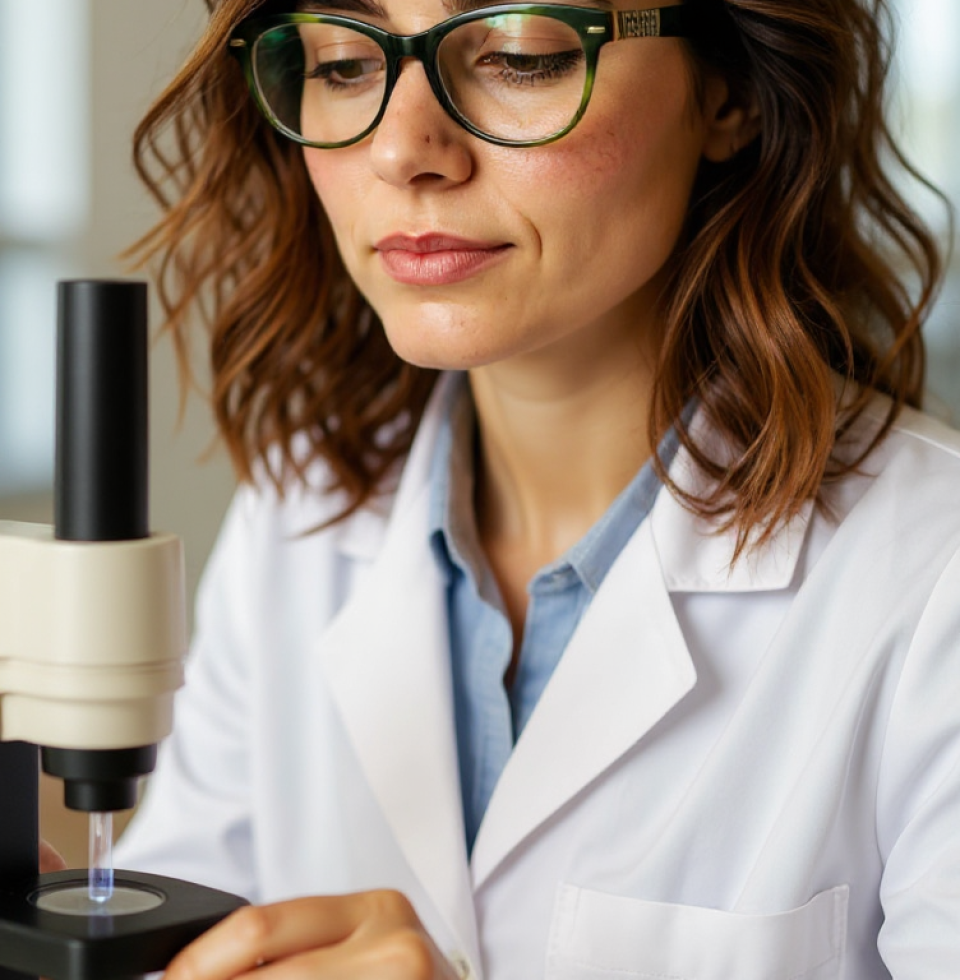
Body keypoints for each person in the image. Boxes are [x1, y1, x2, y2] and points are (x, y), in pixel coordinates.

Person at [89, 0, 960, 976]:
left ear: (730, 92)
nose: (402, 150)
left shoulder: (935, 579)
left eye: (519, 54)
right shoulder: (296, 520)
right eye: (342, 63)